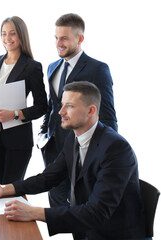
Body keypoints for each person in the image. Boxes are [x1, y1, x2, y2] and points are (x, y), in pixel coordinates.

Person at [0, 81, 148, 239]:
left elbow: (98, 212)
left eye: (70, 106)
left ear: (91, 111)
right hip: (88, 230)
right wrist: (4, 189)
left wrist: (34, 212)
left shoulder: (116, 149)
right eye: (62, 105)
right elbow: (48, 178)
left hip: (114, 235)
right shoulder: (74, 138)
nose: (60, 112)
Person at [39, 13, 118, 207]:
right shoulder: (52, 67)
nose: (59, 43)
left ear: (80, 38)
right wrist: (42, 134)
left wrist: (106, 156)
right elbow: (52, 106)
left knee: (81, 214)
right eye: (56, 38)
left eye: (64, 38)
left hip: (82, 153)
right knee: (58, 211)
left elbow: (107, 116)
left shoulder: (97, 69)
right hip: (53, 151)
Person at [0, 16, 47, 184]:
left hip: (17, 141)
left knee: (9, 190)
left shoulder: (32, 66)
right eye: (4, 34)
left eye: (12, 33)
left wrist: (15, 114)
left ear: (21, 35)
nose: (7, 38)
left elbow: (42, 106)